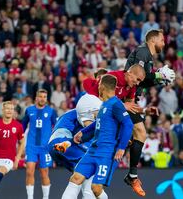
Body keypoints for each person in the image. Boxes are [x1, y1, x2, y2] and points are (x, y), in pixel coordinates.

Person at [61, 74, 134, 199]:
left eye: (99, 84)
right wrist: (83, 133)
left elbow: (128, 124)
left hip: (107, 153)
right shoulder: (104, 105)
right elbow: (98, 124)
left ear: (103, 87)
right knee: (76, 178)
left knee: (96, 188)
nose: (97, 87)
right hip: (93, 150)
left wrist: (121, 148)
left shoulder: (116, 104)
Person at [123, 29, 175, 196]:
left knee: (136, 135)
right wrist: (158, 76)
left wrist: (159, 78)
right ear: (153, 40)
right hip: (125, 101)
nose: (164, 43)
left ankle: (130, 171)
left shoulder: (146, 55)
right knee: (140, 132)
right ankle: (131, 175)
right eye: (162, 40)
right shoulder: (143, 52)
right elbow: (135, 76)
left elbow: (142, 81)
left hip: (130, 100)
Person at [22, 89, 58, 199]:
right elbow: (22, 127)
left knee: (44, 173)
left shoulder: (51, 111)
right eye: (40, 96)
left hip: (45, 147)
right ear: (36, 98)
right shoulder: (29, 110)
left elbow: (57, 127)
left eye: (44, 97)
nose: (42, 99)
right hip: (31, 146)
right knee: (29, 171)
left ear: (46, 99)